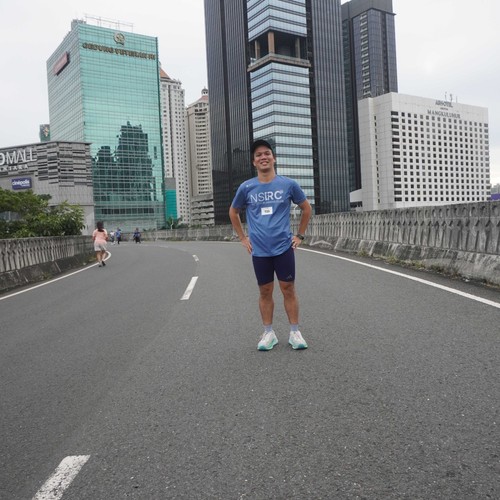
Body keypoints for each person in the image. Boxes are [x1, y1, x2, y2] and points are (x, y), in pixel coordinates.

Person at [229, 139, 312, 351]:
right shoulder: (246, 187)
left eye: (267, 153)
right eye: (258, 155)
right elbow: (233, 211)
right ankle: (268, 333)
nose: (263, 157)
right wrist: (243, 238)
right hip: (259, 250)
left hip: (284, 247)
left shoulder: (288, 184)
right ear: (254, 162)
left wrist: (300, 235)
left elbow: (306, 208)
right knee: (265, 291)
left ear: (273, 158)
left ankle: (295, 332)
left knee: (288, 289)